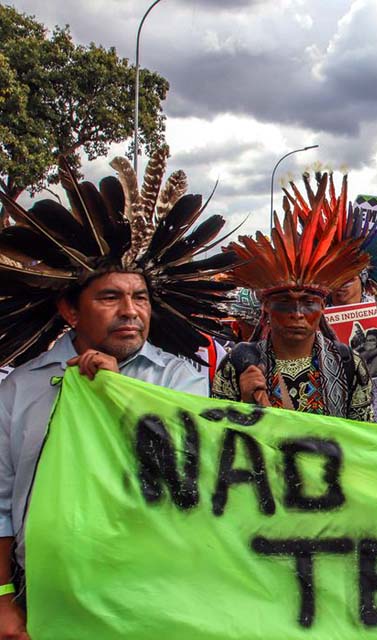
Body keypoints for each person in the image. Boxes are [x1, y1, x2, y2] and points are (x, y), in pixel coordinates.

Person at [0, 148, 236, 633]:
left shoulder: (183, 382)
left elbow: (188, 478)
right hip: (44, 596)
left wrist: (116, 394)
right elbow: (1, 505)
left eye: (140, 297)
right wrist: (4, 600)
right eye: (110, 297)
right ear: (70, 310)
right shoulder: (18, 390)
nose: (130, 310)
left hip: (156, 594)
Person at [213, 173, 377, 420]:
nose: (297, 314)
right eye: (285, 303)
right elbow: (216, 437)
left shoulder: (349, 364)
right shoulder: (238, 363)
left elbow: (363, 436)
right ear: (267, 307)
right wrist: (245, 403)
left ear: (323, 307)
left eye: (308, 302)